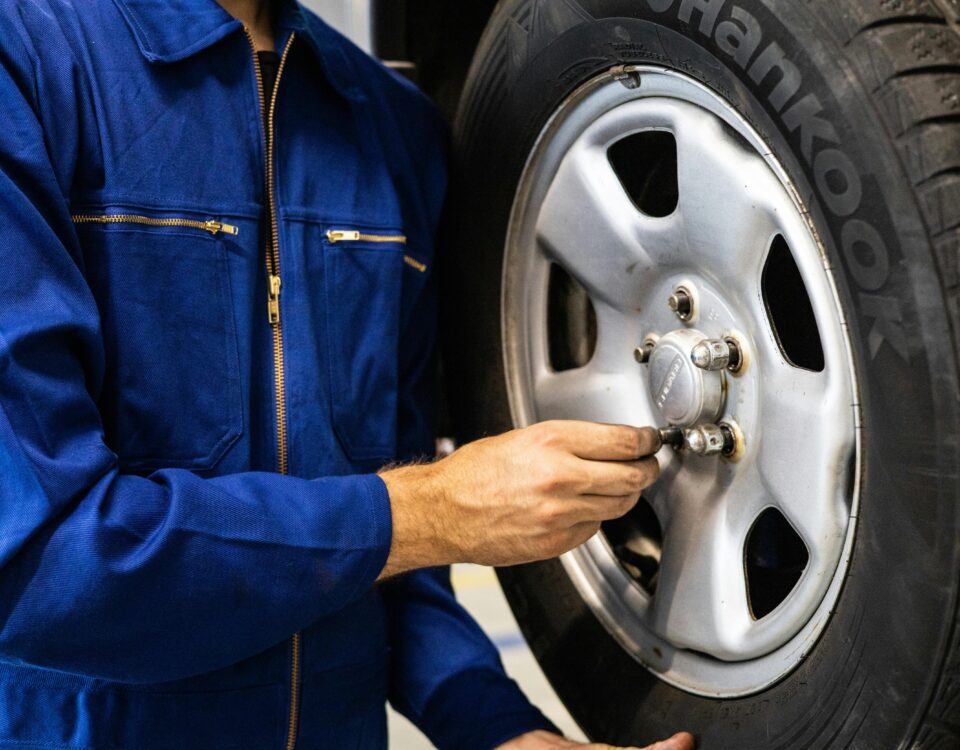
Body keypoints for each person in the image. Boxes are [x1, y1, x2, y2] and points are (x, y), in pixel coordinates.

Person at [0, 0, 695, 748]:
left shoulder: (393, 125)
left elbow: (393, 566)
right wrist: (425, 511)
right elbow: (39, 564)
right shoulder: (27, 59)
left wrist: (493, 726)